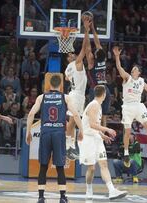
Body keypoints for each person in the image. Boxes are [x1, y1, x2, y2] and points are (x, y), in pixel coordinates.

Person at [25, 74, 83, 203]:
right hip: (58, 134)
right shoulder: (65, 97)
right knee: (60, 167)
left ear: (48, 84)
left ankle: (41, 197)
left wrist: (28, 132)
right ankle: (62, 197)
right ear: (61, 85)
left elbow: (30, 114)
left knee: (43, 166)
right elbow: (76, 114)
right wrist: (81, 130)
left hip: (45, 133)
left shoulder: (42, 97)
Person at [79, 85, 127, 200]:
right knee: (91, 168)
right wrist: (107, 129)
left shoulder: (98, 106)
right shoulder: (94, 105)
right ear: (104, 95)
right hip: (88, 139)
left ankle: (111, 190)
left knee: (104, 164)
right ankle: (89, 188)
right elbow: (91, 125)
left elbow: (95, 127)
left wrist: (103, 135)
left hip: (96, 138)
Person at [64, 19, 90, 160]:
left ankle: (70, 146)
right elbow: (85, 49)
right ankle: (68, 147)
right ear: (69, 57)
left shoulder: (68, 68)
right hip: (76, 95)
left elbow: (66, 78)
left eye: (74, 53)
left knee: (72, 122)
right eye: (71, 54)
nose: (74, 55)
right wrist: (86, 31)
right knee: (73, 121)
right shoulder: (76, 63)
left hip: (76, 94)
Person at [86, 19, 111, 126]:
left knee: (94, 114)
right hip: (106, 89)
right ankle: (103, 136)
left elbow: (87, 47)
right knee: (104, 116)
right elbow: (98, 43)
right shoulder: (103, 60)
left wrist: (87, 31)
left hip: (96, 89)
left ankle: (95, 134)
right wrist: (93, 29)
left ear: (96, 55)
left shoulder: (91, 62)